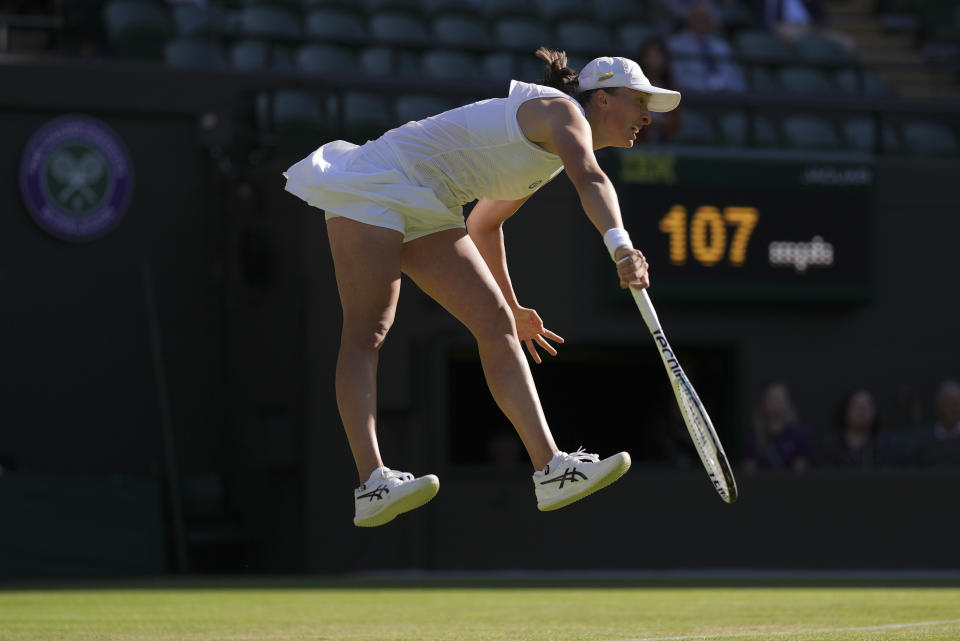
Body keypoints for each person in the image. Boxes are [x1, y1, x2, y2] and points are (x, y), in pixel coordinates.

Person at [283, 48, 680, 527]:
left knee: (495, 322)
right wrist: (622, 247)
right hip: (374, 180)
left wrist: (512, 305)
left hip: (429, 204)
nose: (645, 117)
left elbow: (485, 224)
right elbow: (591, 178)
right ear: (601, 99)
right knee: (369, 329)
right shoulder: (560, 112)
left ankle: (551, 469)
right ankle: (372, 483)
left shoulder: (549, 149)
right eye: (639, 102)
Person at [667, 0, 747, 93]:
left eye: (705, 18)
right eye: (698, 17)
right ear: (689, 18)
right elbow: (676, 79)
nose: (701, 21)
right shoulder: (675, 45)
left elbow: (736, 78)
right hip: (692, 99)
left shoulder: (722, 46)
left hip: (724, 99)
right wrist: (707, 88)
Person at [742, 382, 811, 473]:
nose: (776, 402)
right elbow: (749, 471)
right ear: (763, 402)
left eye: (779, 398)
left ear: (787, 402)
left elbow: (800, 471)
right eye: (771, 398)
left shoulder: (799, 435)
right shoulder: (754, 437)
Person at [635, 37, 682, 144]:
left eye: (657, 56)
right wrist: (650, 122)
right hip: (637, 145)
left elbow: (675, 123)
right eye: (649, 56)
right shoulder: (633, 88)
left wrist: (664, 124)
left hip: (666, 144)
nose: (653, 60)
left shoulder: (672, 89)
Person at [918, 379, 960, 468]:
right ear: (939, 405)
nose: (954, 408)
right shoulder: (924, 444)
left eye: (957, 403)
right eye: (950, 403)